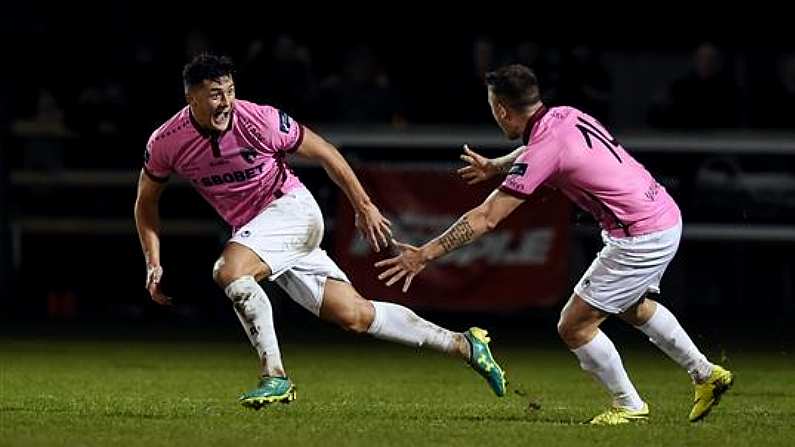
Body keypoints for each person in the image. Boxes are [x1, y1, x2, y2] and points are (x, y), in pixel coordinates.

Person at [133, 53, 505, 409]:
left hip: (292, 211)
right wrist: (153, 261)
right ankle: (465, 345)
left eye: (230, 90)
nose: (226, 101)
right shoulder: (166, 141)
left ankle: (274, 376)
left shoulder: (260, 120)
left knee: (230, 271)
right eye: (215, 93)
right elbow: (145, 202)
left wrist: (364, 205)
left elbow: (325, 150)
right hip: (262, 233)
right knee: (355, 315)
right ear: (191, 96)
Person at [376, 64, 733, 425]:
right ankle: (706, 373)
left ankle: (629, 405)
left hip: (640, 235)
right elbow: (538, 151)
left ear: (501, 109)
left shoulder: (545, 146)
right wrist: (496, 167)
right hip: (663, 213)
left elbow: (487, 217)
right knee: (632, 306)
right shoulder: (564, 114)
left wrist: (424, 254)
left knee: (574, 326)